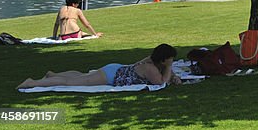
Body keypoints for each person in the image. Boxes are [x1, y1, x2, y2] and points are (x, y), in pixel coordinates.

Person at [18, 43, 180, 89]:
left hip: (114, 70)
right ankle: (33, 82)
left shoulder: (151, 61)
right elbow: (161, 82)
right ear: (165, 59)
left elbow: (167, 76)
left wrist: (173, 74)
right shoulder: (151, 68)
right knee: (72, 83)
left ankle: (52, 75)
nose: (171, 61)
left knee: (82, 76)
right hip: (111, 75)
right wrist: (169, 69)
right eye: (170, 59)